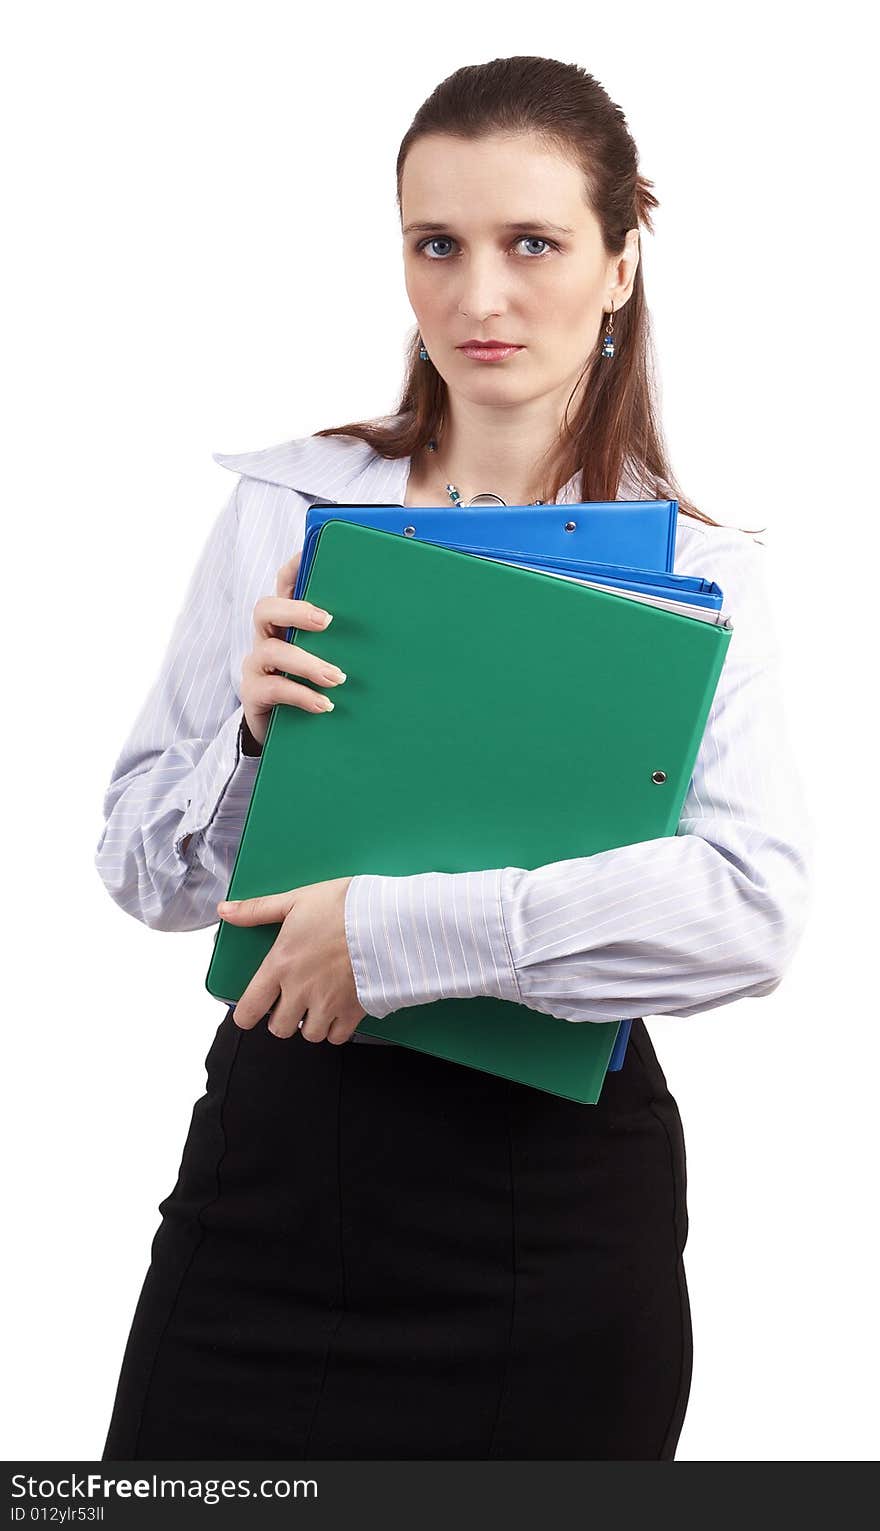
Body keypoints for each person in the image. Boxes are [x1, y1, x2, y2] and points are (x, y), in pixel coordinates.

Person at [96, 56, 812, 1461]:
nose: (479, 299)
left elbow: (751, 912)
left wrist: (402, 930)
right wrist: (247, 743)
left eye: (531, 244)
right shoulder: (289, 503)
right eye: (439, 244)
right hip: (271, 1188)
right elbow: (140, 873)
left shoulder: (697, 570)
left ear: (619, 264)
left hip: (548, 1225)